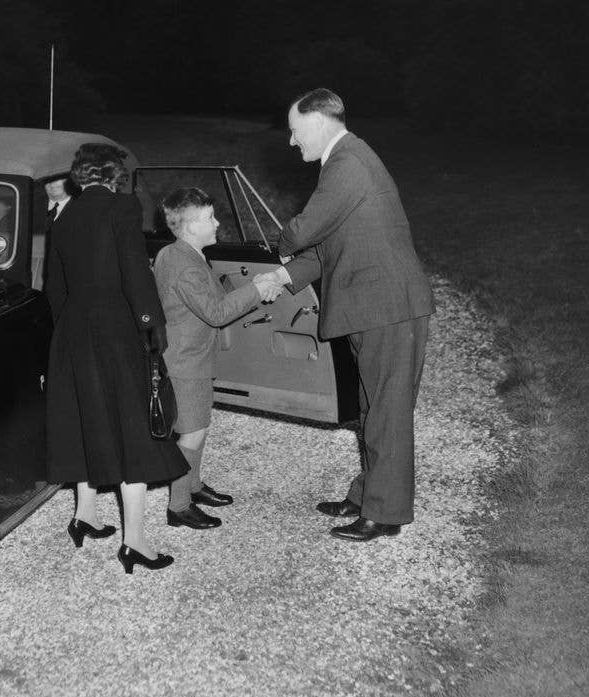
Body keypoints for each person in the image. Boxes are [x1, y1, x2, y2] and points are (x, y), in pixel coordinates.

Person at [254, 88, 434, 542]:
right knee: (374, 407)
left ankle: (384, 513)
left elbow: (306, 229)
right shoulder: (347, 163)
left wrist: (279, 245)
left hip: (387, 307)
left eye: (295, 132)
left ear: (317, 122)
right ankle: (367, 494)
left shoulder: (348, 162)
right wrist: (284, 278)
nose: (292, 143)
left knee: (387, 411)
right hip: (376, 307)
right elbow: (327, 247)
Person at [45, 142, 188, 573]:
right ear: (114, 176)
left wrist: (62, 332)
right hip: (114, 328)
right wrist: (152, 325)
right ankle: (135, 542)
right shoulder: (122, 208)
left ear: (79, 176)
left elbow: (55, 285)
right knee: (133, 430)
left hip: (72, 330)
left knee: (88, 418)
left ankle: (84, 515)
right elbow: (133, 271)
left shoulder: (64, 216)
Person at [154, 188, 276, 530]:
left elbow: (212, 296)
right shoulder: (186, 265)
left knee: (200, 426)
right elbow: (216, 312)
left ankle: (192, 486)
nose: (217, 222)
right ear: (191, 226)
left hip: (190, 357)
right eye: (210, 217)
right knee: (191, 435)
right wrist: (257, 290)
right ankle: (178, 507)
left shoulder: (176, 253)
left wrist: (252, 285)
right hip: (186, 362)